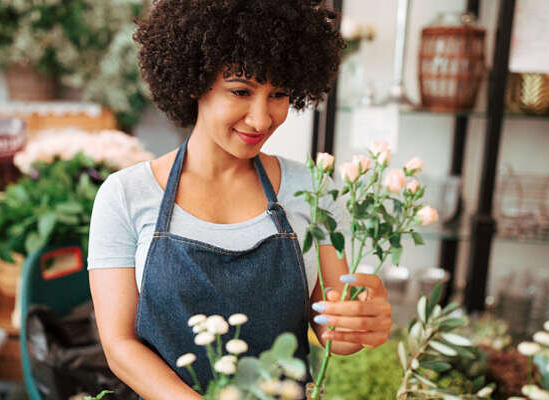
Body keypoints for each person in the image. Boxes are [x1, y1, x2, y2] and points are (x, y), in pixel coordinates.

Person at [87, 1, 392, 398]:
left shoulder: (314, 192)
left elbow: (337, 336)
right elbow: (120, 347)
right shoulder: (126, 195)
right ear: (194, 80)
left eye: (279, 94)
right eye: (241, 91)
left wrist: (366, 319)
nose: (261, 119)